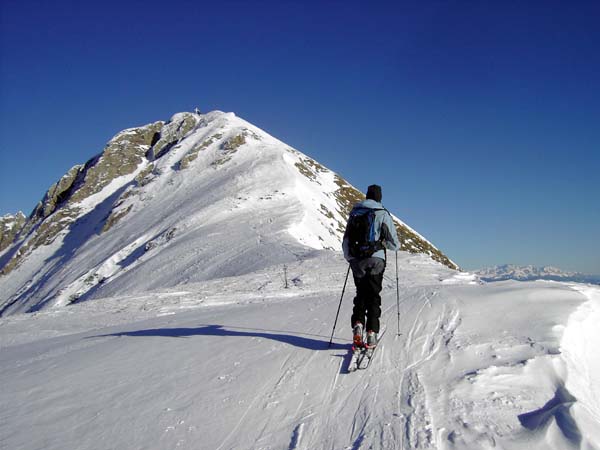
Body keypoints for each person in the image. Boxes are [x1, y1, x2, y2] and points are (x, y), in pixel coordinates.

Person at [342, 184, 400, 348]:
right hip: (376, 260)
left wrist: (350, 257)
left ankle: (358, 326)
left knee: (360, 294)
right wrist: (382, 244)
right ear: (379, 197)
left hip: (357, 260)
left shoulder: (355, 213)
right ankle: (371, 333)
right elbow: (394, 244)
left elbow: (346, 239)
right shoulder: (382, 214)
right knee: (373, 296)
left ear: (367, 196)